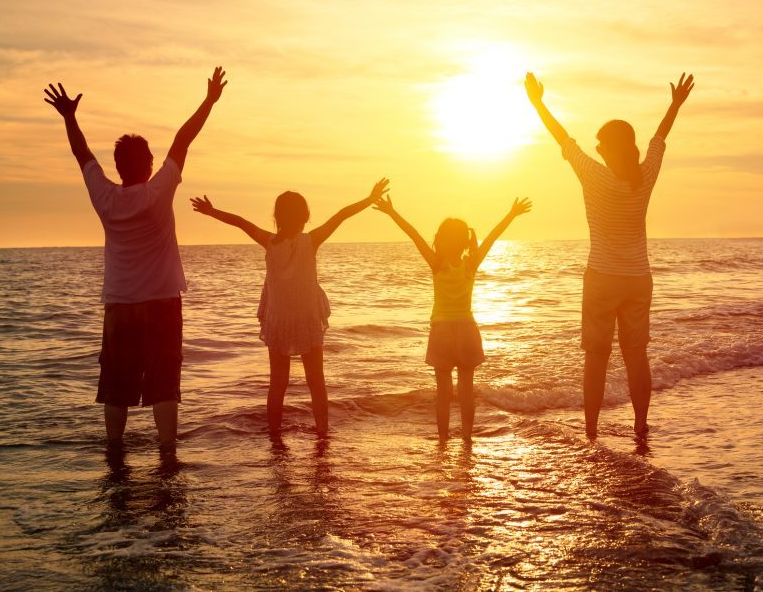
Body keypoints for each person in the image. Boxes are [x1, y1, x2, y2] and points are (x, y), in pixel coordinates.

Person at [45, 67, 228, 448]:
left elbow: (82, 154)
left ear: (117, 167)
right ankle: (167, 457)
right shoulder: (158, 192)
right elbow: (183, 138)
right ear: (148, 164)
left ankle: (114, 457)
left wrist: (70, 118)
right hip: (162, 303)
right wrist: (209, 101)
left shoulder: (104, 197)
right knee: (163, 384)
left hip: (120, 305)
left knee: (116, 386)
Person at [524, 71, 694, 438]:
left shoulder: (592, 174)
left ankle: (590, 431)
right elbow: (659, 138)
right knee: (636, 356)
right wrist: (675, 104)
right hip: (637, 278)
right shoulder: (645, 174)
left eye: (599, 144)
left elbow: (562, 137)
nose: (595, 148)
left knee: (596, 359)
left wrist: (538, 103)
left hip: (601, 276)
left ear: (607, 148)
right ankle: (640, 424)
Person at [190, 179, 390, 437]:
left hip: (280, 320)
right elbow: (341, 215)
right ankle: (322, 435)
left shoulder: (269, 241)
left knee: (278, 383)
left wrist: (212, 211)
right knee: (316, 382)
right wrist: (369, 198)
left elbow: (241, 222)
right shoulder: (312, 240)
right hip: (306, 318)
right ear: (306, 216)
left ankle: (275, 435)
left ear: (277, 217)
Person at [374, 194, 532, 441]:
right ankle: (467, 437)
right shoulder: (470, 264)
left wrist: (392, 213)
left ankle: (444, 439)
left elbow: (414, 234)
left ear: (441, 240)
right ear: (463, 242)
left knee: (443, 392)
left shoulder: (437, 263)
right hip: (467, 329)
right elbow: (492, 238)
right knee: (467, 391)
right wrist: (511, 214)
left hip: (442, 331)